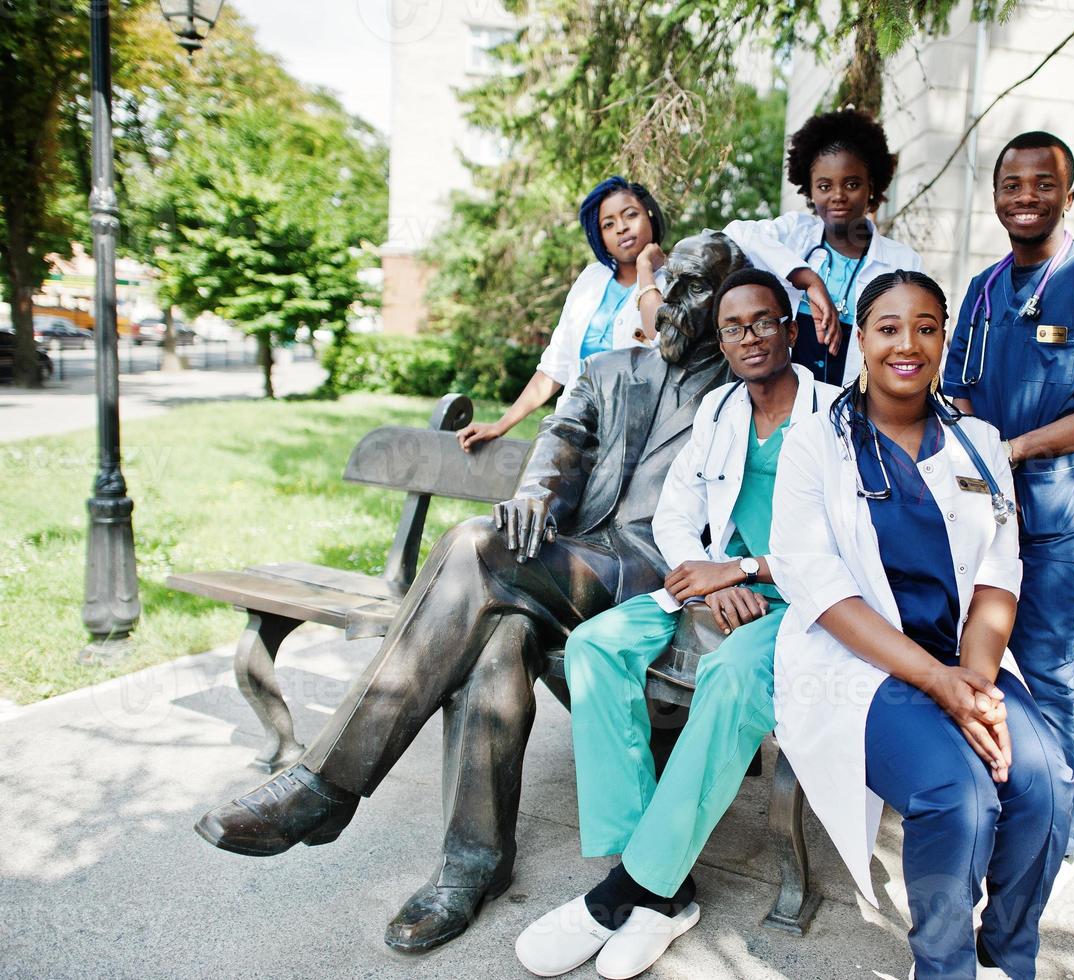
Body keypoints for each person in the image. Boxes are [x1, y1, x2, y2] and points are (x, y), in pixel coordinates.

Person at [192, 231, 747, 955]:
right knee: (501, 635)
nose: (675, 299)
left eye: (696, 288)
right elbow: (560, 443)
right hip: (572, 562)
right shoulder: (611, 369)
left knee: (468, 547)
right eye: (671, 282)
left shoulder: (742, 384)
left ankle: (324, 787)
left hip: (651, 580)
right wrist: (536, 499)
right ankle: (472, 863)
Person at [514, 268, 840, 979]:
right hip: (710, 590)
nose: (748, 337)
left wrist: (747, 571)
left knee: (729, 677)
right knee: (595, 645)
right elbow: (674, 513)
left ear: (792, 328)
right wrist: (701, 580)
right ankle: (668, 888)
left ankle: (625, 892)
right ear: (720, 342)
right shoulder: (720, 410)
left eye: (762, 322)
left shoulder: (839, 416)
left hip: (800, 601)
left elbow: (846, 544)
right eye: (732, 327)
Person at [769, 271, 1070, 980]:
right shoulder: (815, 445)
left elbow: (1001, 571)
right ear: (862, 339)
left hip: (966, 660)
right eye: (888, 327)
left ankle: (1004, 953)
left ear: (943, 338)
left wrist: (973, 682)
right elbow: (821, 586)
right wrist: (940, 683)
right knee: (955, 795)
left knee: (1043, 784)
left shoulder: (979, 444)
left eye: (926, 327)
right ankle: (942, 965)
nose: (907, 343)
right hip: (860, 664)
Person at [941, 131, 1074, 867]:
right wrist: (965, 442)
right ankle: (997, 804)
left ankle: (1053, 833)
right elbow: (955, 388)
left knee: (1046, 671)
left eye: (1040, 183)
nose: (1024, 197)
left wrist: (1015, 450)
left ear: (1066, 192)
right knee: (978, 665)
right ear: (995, 195)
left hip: (1055, 519)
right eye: (1010, 185)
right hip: (981, 514)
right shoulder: (984, 287)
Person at [457, 176, 669, 448]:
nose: (621, 228)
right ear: (600, 237)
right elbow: (555, 365)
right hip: (575, 425)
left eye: (631, 215)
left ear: (651, 216)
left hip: (636, 435)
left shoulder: (673, 280)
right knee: (546, 479)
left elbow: (659, 337)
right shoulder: (591, 279)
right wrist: (501, 425)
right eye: (608, 224)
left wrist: (645, 270)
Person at [723, 108, 923, 387]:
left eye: (852, 184)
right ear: (809, 189)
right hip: (788, 405)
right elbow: (733, 234)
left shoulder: (902, 261)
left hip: (857, 409)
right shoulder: (795, 234)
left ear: (872, 186)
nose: (838, 196)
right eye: (824, 186)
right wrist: (807, 279)